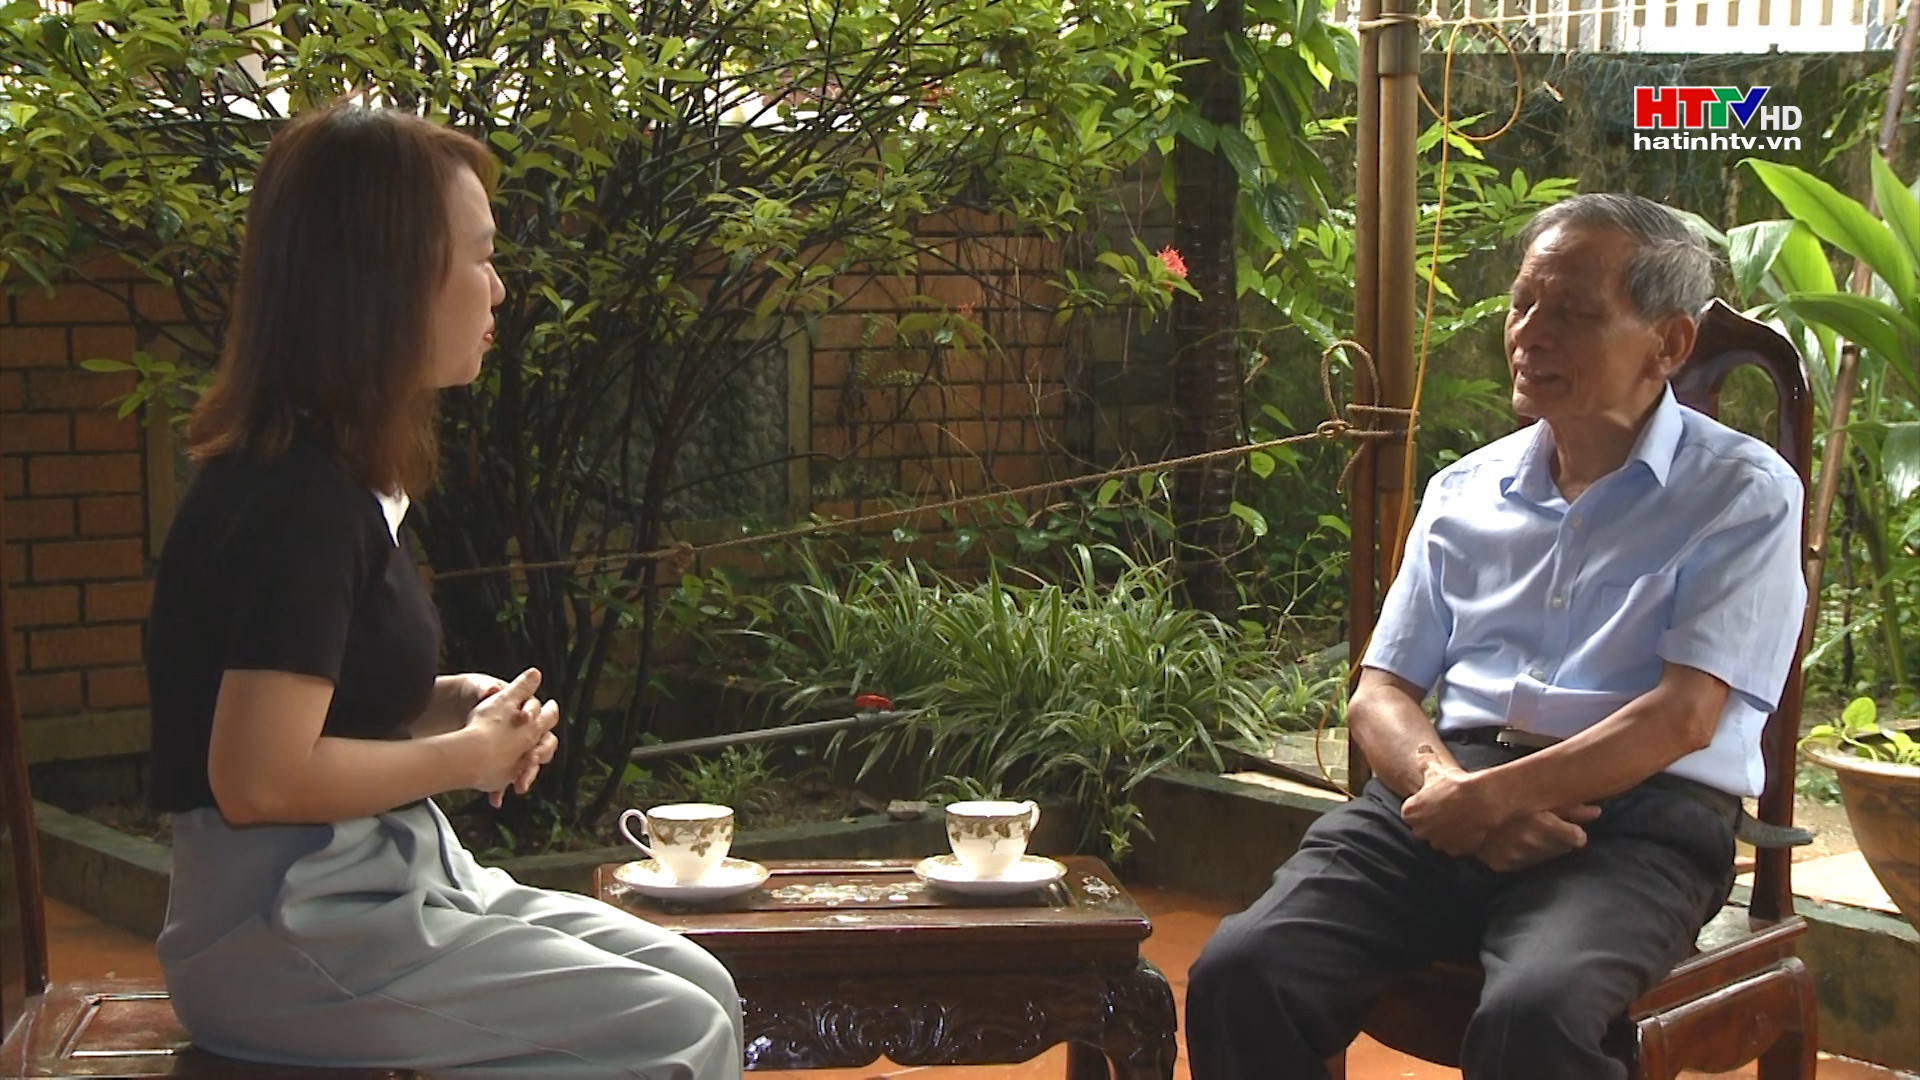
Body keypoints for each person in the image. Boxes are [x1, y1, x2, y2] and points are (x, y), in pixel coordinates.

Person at [144, 103, 744, 1079]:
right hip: (288, 928)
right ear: (388, 280)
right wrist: (465, 757)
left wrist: (444, 703)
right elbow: (255, 780)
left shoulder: (333, 474)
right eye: (480, 258)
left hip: (386, 882)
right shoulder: (294, 498)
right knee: (674, 1030)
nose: (498, 288)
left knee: (701, 985)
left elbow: (311, 714)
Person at [1184, 193, 1806, 1080]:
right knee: (1243, 973)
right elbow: (1380, 693)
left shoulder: (1742, 493)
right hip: (1448, 789)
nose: (1528, 334)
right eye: (1523, 303)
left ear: (1668, 345)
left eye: (1573, 313)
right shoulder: (1463, 492)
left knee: (1534, 1019)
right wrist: (1454, 793)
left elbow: (1683, 717)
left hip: (1638, 821)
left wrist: (1494, 801)